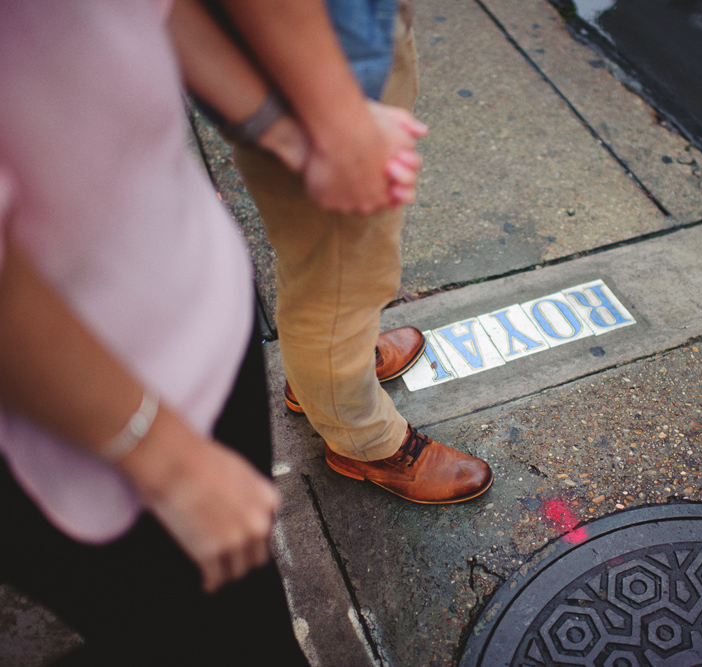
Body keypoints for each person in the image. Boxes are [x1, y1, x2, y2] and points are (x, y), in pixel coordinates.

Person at [0, 1, 309, 663]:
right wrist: (169, 462)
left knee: (244, 620)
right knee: (217, 641)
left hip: (194, 309)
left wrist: (281, 128)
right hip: (85, 428)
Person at [188, 0, 494, 504]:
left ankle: (326, 379)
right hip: (314, 89)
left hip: (352, 50)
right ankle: (363, 442)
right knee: (341, 282)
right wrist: (328, 125)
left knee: (340, 267)